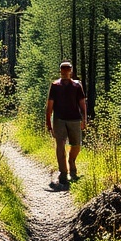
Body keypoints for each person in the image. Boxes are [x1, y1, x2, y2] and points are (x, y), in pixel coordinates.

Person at [45, 59, 87, 187]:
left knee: (76, 145)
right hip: (59, 119)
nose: (65, 71)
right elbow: (50, 104)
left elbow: (82, 103)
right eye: (63, 68)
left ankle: (71, 161)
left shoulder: (76, 85)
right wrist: (48, 122)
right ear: (60, 70)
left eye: (68, 68)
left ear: (71, 71)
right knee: (60, 144)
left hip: (74, 119)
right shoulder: (55, 85)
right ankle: (63, 173)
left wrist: (84, 118)